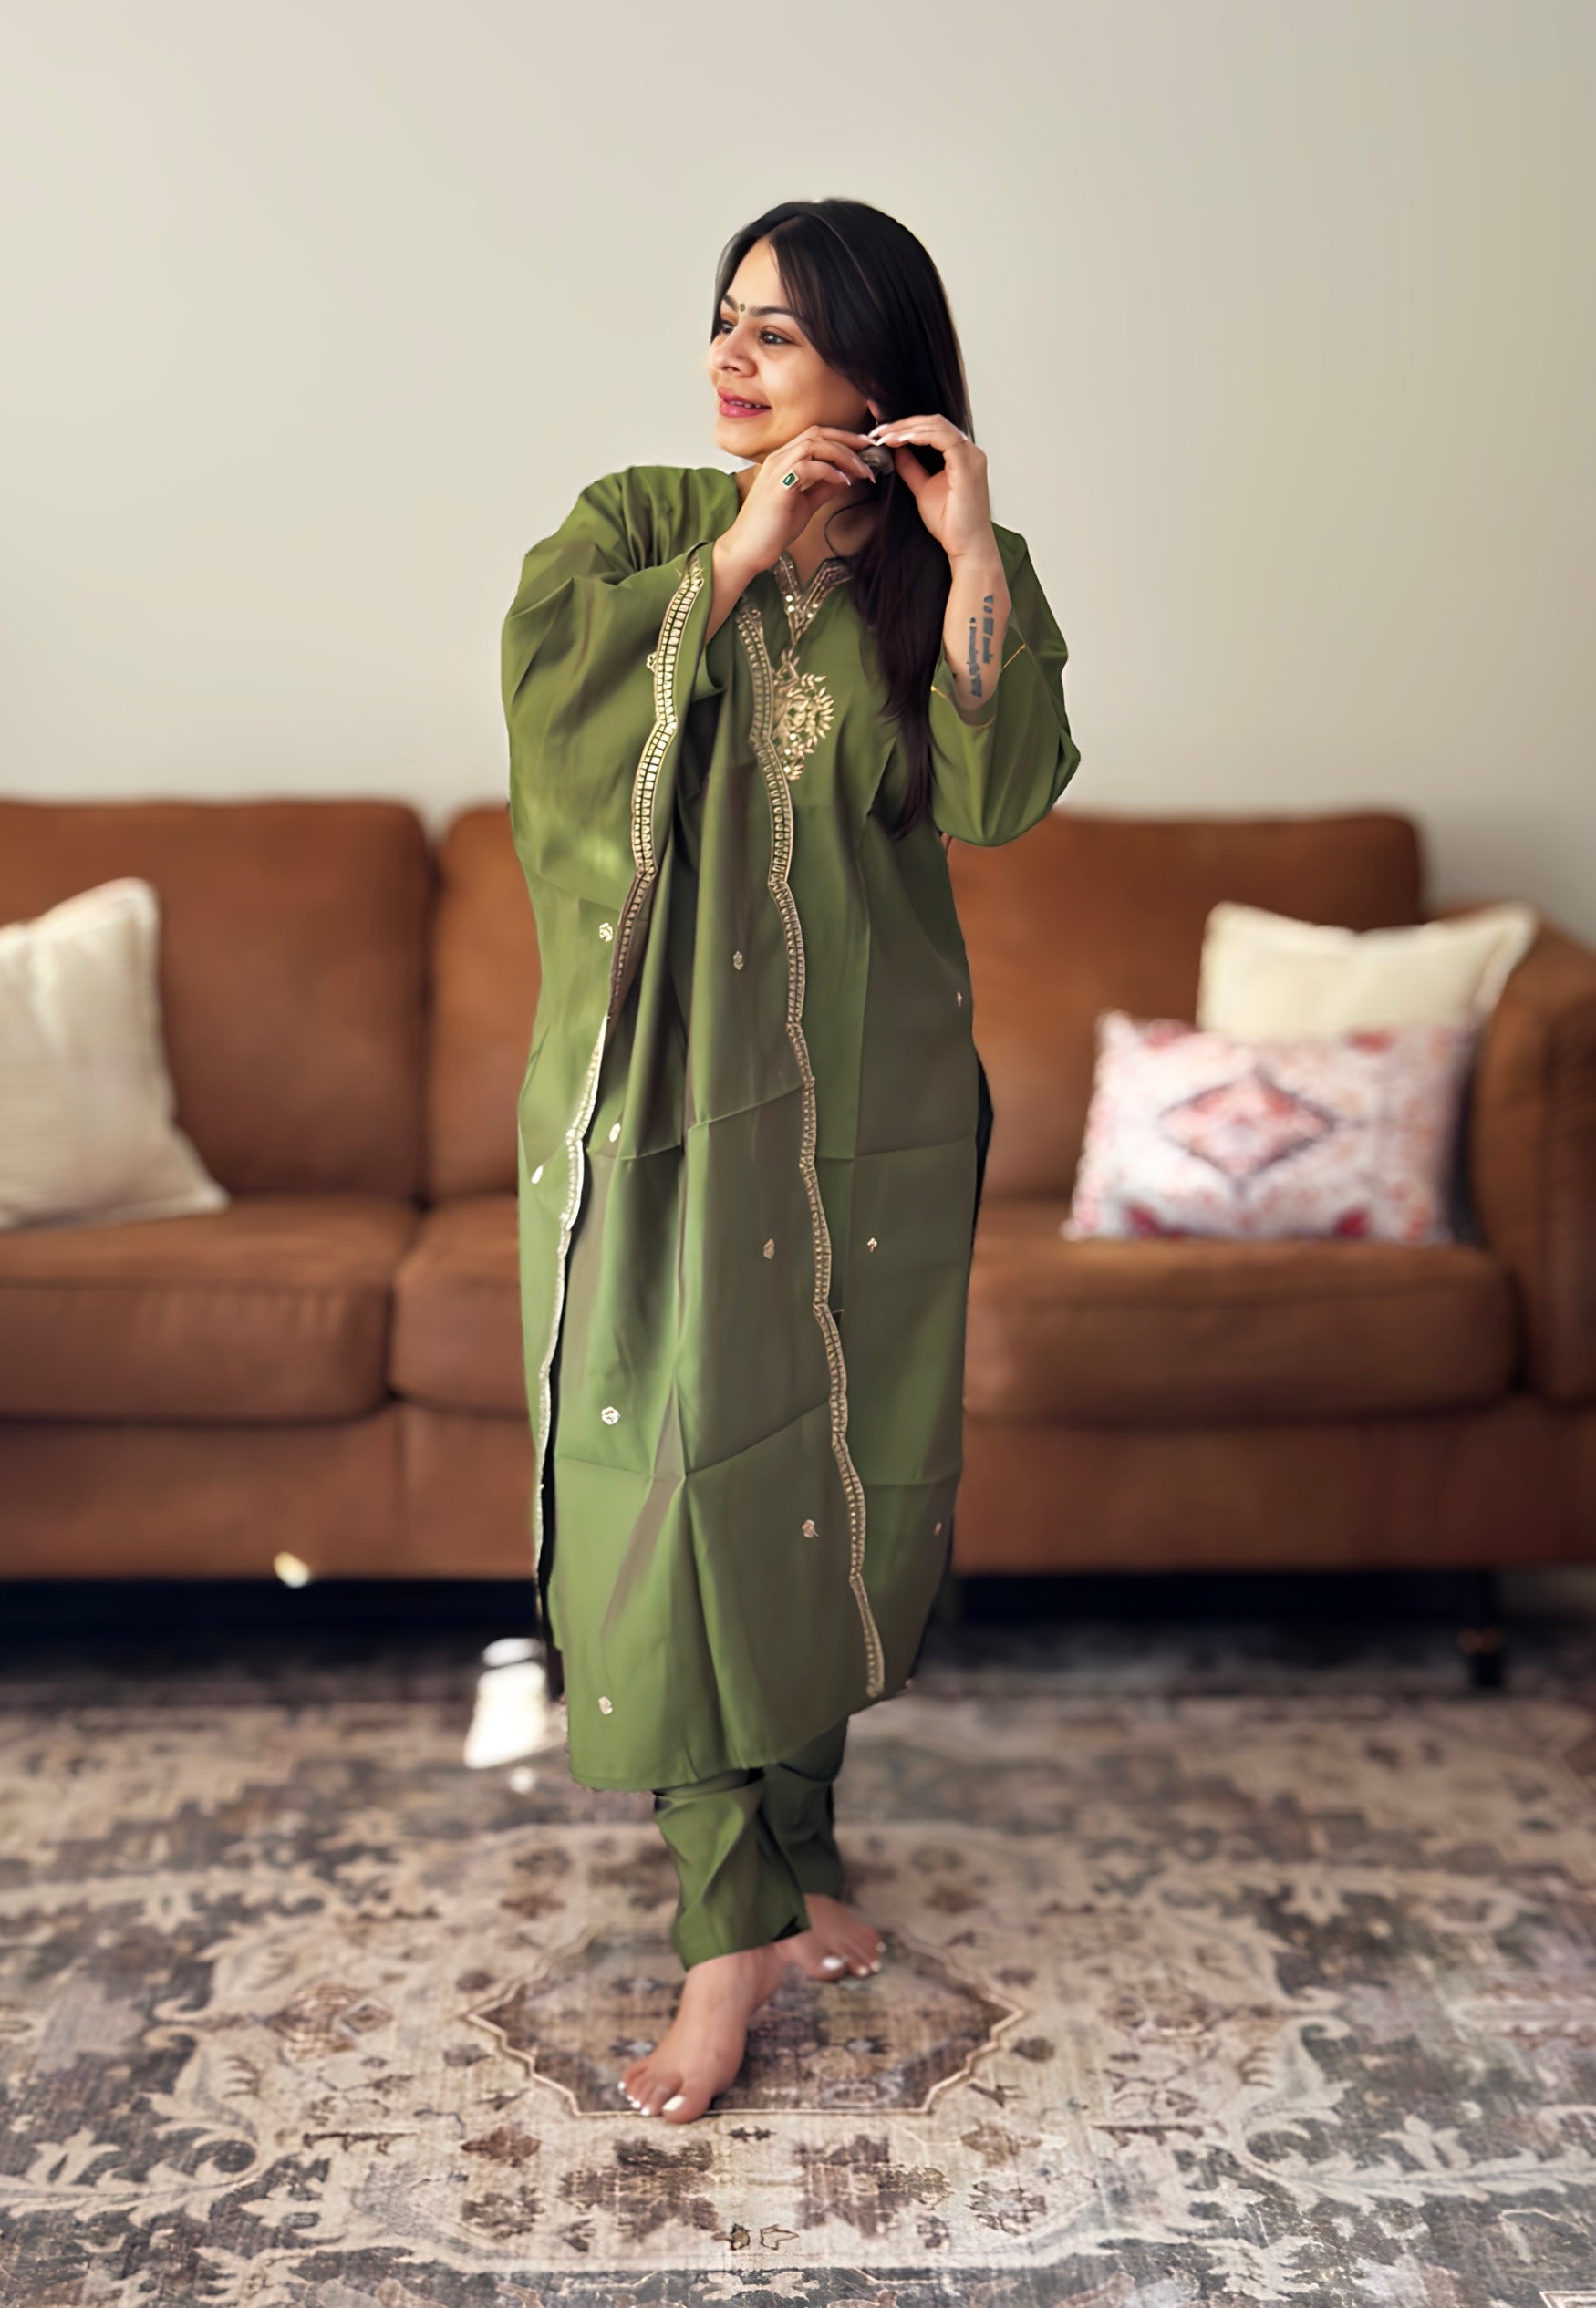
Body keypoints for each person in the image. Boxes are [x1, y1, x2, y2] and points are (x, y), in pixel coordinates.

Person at [503, 197, 1080, 2125]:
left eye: (778, 331)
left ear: (874, 362)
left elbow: (998, 801)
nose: (730, 358)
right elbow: (562, 754)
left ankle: (808, 1848)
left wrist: (972, 543)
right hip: (663, 1113)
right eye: (720, 322)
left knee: (841, 1470)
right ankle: (717, 1940)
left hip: (874, 1108)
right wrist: (737, 561)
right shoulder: (633, 529)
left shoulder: (938, 573)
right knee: (671, 1486)